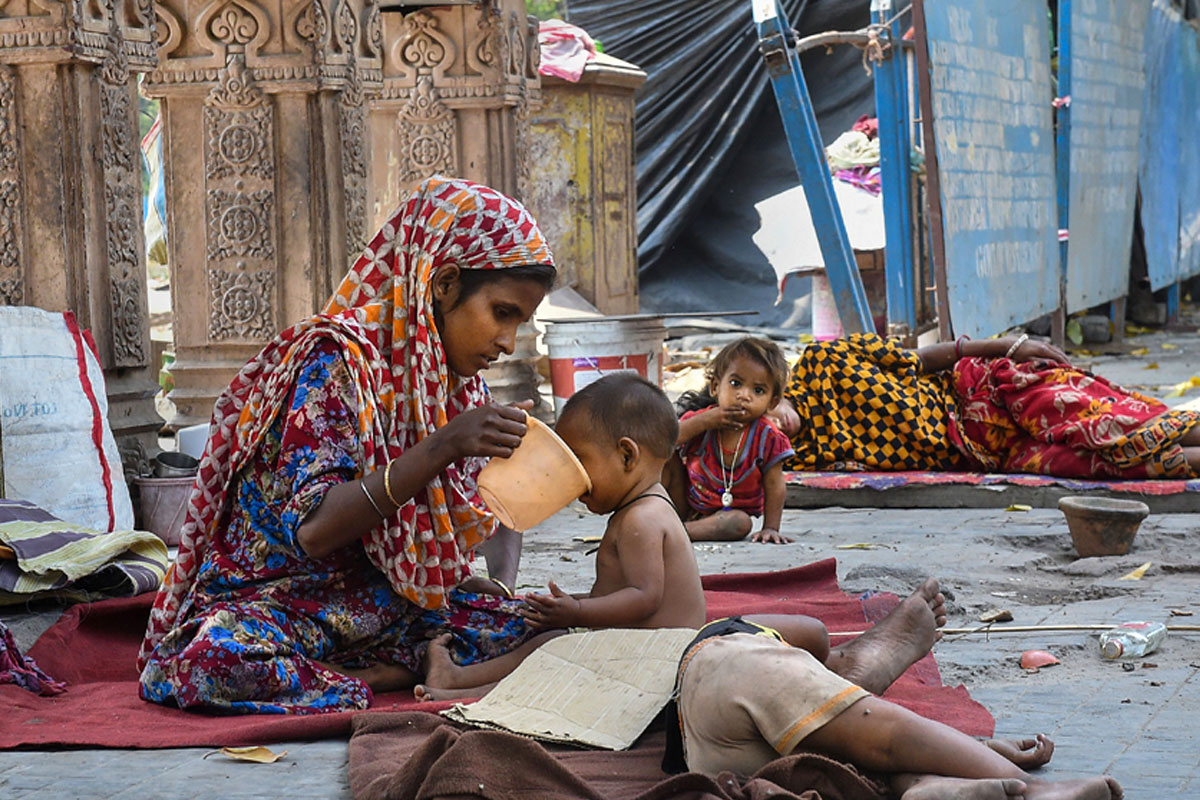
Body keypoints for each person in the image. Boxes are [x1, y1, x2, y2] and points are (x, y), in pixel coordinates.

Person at [136, 177, 560, 714]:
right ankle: (383, 676)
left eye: (520, 323)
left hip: (389, 604)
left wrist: (497, 589)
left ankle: (390, 665)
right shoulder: (334, 363)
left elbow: (495, 509)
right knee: (213, 663)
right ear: (445, 284)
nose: (507, 343)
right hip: (286, 602)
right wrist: (444, 445)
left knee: (535, 626)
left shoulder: (454, 382)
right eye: (502, 314)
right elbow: (315, 532)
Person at [414, 373, 707, 700]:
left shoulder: (642, 519)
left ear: (627, 456)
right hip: (639, 652)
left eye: (578, 461)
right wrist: (569, 606)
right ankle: (456, 679)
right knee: (551, 639)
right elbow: (626, 593)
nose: (570, 477)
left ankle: (466, 691)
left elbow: (645, 597)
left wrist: (577, 613)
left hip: (654, 663)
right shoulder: (643, 507)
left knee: (556, 652)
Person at [670, 611, 1124, 800]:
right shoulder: (736, 634)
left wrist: (979, 749)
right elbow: (821, 649)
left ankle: (928, 785)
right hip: (726, 666)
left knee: (858, 756)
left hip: (714, 748)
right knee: (883, 732)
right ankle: (1033, 790)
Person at [769, 332, 1200, 478]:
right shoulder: (795, 458)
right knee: (1109, 464)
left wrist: (1012, 345)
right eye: (757, 426)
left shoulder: (824, 361)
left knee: (1107, 426)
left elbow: (918, 358)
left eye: (764, 404)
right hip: (989, 453)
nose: (772, 424)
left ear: (773, 386)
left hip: (986, 390)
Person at [665, 337, 796, 544]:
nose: (744, 395)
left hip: (728, 516)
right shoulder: (700, 420)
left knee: (740, 523)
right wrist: (704, 421)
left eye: (758, 390)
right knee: (665, 455)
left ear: (772, 402)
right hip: (686, 504)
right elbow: (663, 443)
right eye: (735, 384)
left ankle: (675, 531)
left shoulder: (767, 436)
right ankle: (663, 520)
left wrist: (771, 527)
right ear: (715, 386)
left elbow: (775, 484)